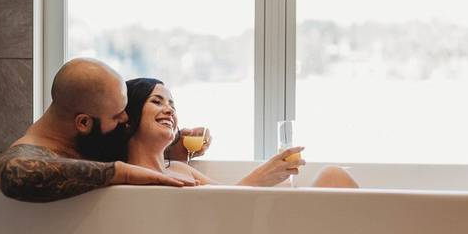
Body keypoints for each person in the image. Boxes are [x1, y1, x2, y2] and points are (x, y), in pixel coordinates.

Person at [0, 58, 211, 202]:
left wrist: (173, 144)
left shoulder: (86, 137)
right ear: (84, 122)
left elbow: (122, 146)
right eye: (118, 115)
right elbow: (13, 172)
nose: (126, 118)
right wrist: (125, 173)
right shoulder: (36, 147)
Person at [123, 77, 359, 188]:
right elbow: (230, 204)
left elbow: (228, 200)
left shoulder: (178, 168)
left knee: (333, 175)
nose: (169, 110)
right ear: (128, 118)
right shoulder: (124, 176)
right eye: (157, 101)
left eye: (172, 105)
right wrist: (261, 177)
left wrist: (179, 151)